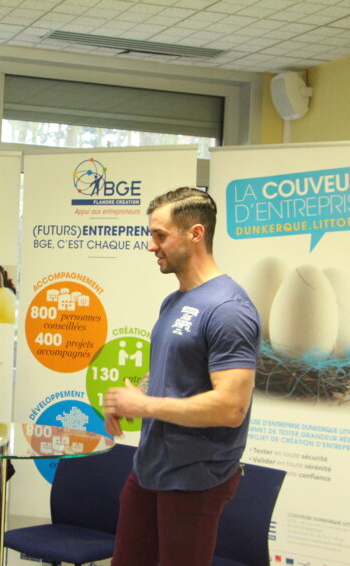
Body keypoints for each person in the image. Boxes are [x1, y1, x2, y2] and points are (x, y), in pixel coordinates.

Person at [103, 187, 261, 566]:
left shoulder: (228, 309)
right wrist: (134, 395)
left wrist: (145, 404)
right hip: (149, 469)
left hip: (195, 477)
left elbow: (231, 406)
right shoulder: (174, 300)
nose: (151, 245)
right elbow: (176, 371)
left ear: (195, 234)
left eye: (160, 235)